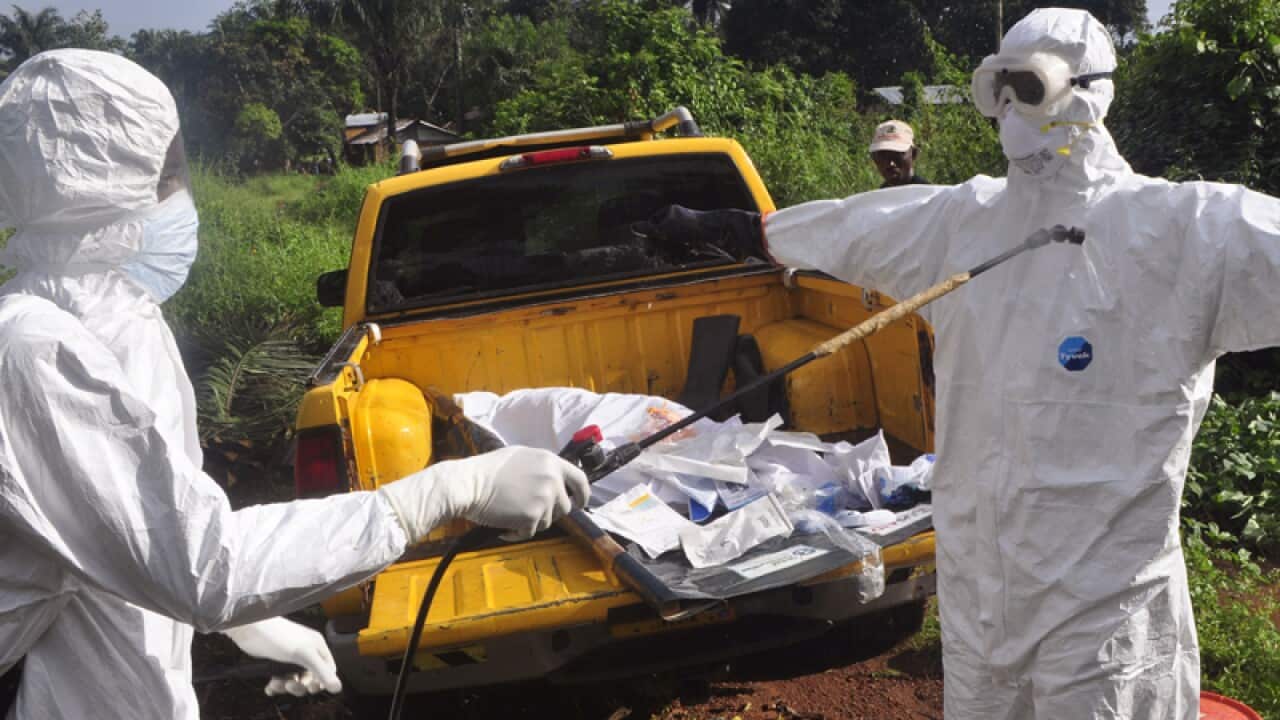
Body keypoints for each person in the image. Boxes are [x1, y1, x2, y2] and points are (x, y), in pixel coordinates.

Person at [644, 8, 1280, 719]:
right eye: (996, 88)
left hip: (1105, 618)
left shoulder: (1188, 230)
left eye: (1027, 87)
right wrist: (738, 229)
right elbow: (855, 226)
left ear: (1086, 91)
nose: (1009, 110)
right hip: (983, 602)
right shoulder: (968, 221)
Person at [0, 50, 589, 720]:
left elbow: (138, 533)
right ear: (95, 189)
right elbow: (199, 564)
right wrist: (450, 490)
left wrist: (245, 621)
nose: (181, 194)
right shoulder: (33, 352)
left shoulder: (124, 324)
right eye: (166, 173)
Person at [868, 120, 929, 187]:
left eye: (897, 155)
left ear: (914, 154)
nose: (890, 164)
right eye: (882, 156)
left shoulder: (928, 192)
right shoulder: (881, 192)